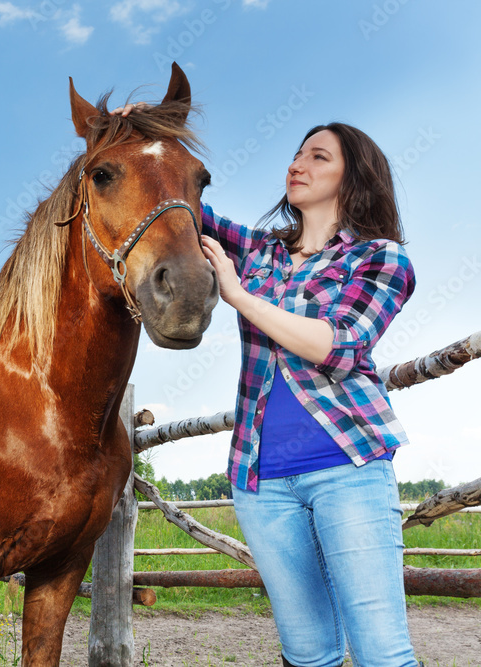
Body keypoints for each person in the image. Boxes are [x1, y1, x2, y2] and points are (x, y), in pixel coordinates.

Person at [116, 106, 419, 666]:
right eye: (298, 153)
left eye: (318, 156)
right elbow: (179, 206)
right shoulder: (258, 251)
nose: (298, 163)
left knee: (382, 652)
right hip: (261, 483)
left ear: (353, 179)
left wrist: (239, 295)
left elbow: (340, 345)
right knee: (306, 653)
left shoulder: (380, 258)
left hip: (347, 470)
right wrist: (142, 132)